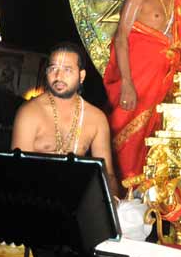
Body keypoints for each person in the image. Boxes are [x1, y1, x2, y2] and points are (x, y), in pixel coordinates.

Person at [103, 0, 181, 180]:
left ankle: (155, 188)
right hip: (138, 77)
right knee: (128, 139)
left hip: (167, 77)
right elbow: (122, 36)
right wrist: (127, 84)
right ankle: (125, 188)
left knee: (160, 134)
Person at [11, 42, 120, 197]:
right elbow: (16, 171)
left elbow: (107, 175)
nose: (58, 76)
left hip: (77, 201)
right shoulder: (29, 113)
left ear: (81, 76)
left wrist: (113, 204)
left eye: (67, 70)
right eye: (53, 69)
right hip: (35, 199)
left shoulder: (96, 118)